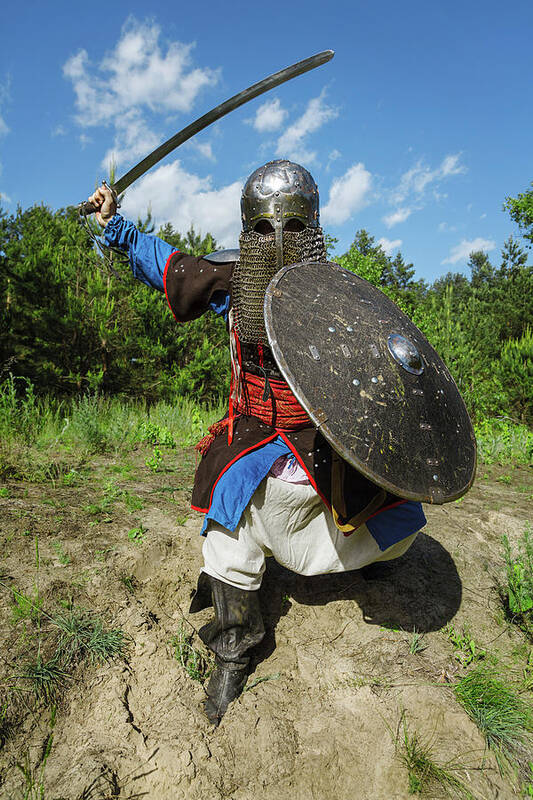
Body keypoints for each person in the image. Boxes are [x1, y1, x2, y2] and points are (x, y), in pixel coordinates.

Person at [87, 160, 426, 725]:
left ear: (313, 229)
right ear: (248, 229)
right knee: (229, 515)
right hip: (254, 440)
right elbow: (169, 267)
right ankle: (236, 648)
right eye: (266, 228)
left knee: (392, 519)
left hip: (322, 447)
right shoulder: (233, 280)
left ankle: (376, 561)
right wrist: (115, 224)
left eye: (293, 228)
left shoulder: (342, 300)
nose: (278, 240)